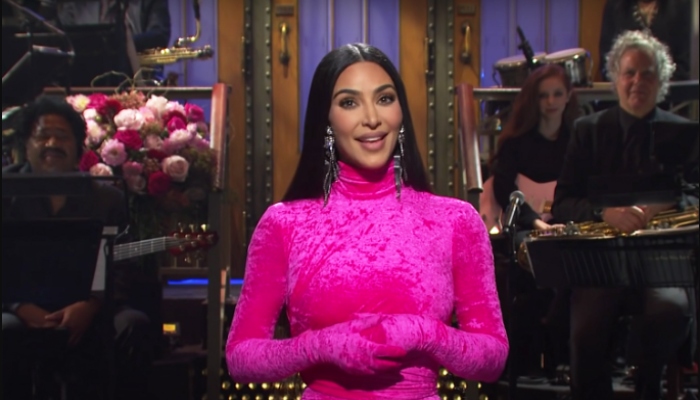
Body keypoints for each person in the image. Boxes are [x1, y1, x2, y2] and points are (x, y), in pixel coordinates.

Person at [225, 43, 508, 399]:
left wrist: (423, 333)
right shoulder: (284, 224)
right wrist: (320, 346)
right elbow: (241, 357)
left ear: (401, 112)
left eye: (385, 99)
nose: (372, 118)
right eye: (349, 103)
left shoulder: (455, 221)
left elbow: (491, 357)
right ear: (326, 120)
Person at [552, 30, 696, 400]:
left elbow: (696, 194)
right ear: (615, 77)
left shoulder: (684, 133)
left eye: (647, 74)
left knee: (673, 311)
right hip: (600, 260)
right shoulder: (587, 131)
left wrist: (668, 204)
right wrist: (605, 214)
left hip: (661, 260)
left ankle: (648, 387)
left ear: (661, 81)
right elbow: (563, 201)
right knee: (586, 332)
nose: (637, 82)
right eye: (629, 72)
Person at [2, 96, 153, 400]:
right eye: (43, 136)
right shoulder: (5, 193)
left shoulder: (106, 199)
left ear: (77, 147)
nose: (52, 144)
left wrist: (90, 306)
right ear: (25, 145)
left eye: (62, 136)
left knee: (133, 325)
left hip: (89, 308)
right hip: (15, 308)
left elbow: (122, 266)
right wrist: (20, 306)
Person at [482, 63, 580, 379]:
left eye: (557, 94)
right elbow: (504, 188)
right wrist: (538, 224)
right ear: (533, 100)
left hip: (565, 226)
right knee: (535, 259)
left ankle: (564, 356)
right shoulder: (517, 142)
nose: (551, 102)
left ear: (568, 97)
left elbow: (578, 191)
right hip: (525, 228)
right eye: (543, 95)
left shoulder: (576, 141)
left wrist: (560, 223)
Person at [599, 0, 692, 81]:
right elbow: (607, 60)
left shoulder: (681, 5)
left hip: (671, 90)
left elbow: (686, 61)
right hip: (624, 91)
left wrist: (657, 84)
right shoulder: (615, 6)